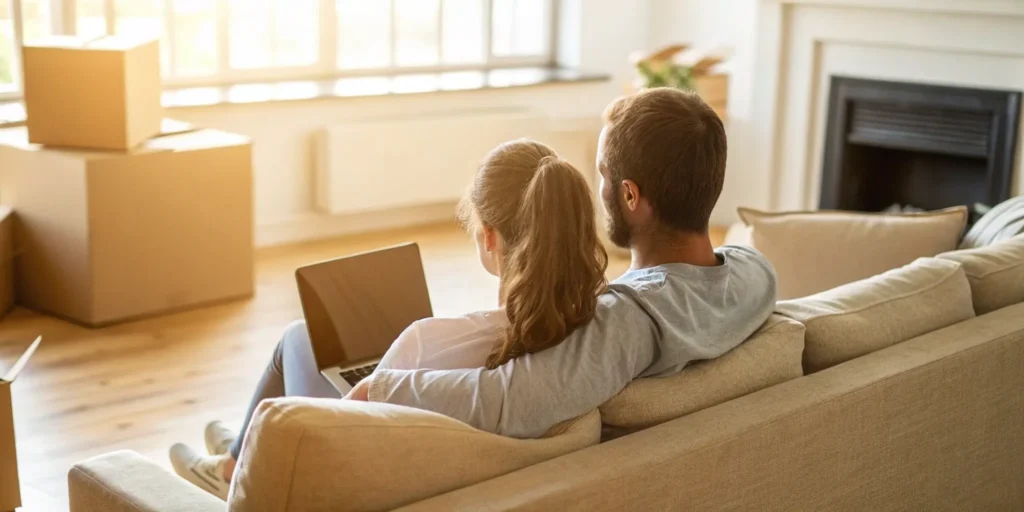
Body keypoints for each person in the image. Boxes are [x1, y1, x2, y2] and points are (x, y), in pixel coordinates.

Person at [168, 140, 609, 499]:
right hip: (467, 465)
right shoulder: (605, 325)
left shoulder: (431, 342)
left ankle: (233, 468)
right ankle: (234, 452)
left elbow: (347, 429)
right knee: (305, 341)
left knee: (299, 339)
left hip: (368, 467)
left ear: (488, 236)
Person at [345, 87, 777, 438]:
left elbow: (515, 400)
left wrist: (376, 388)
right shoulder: (755, 273)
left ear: (629, 196)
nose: (597, 188)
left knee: (296, 344)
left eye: (602, 174)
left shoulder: (628, 322)